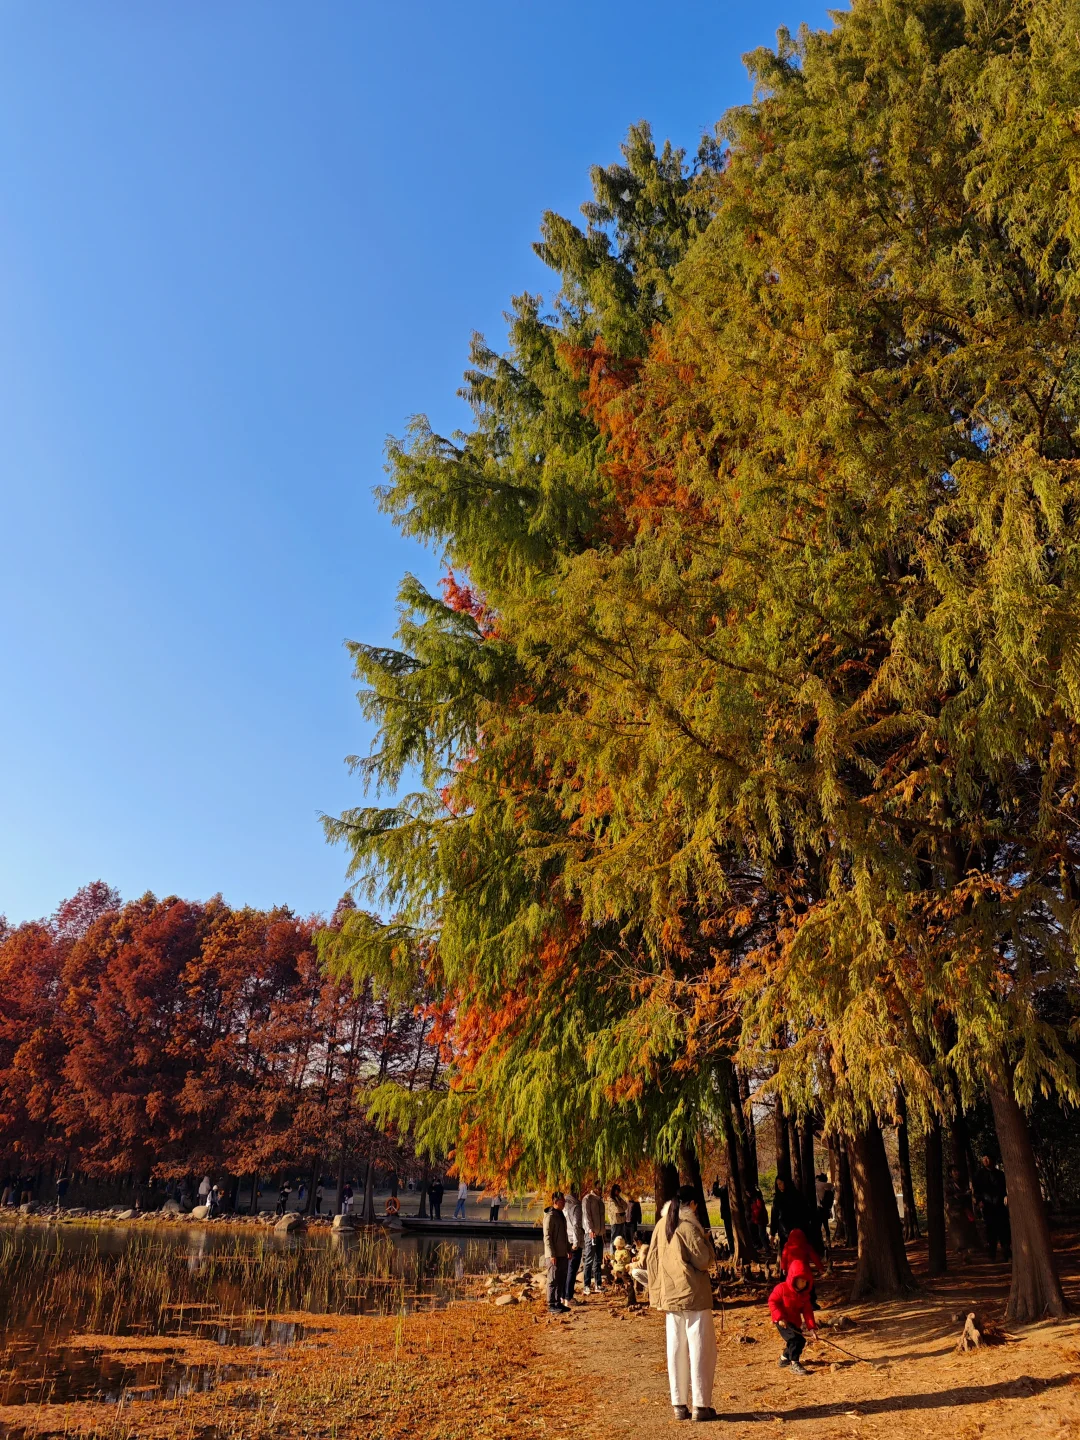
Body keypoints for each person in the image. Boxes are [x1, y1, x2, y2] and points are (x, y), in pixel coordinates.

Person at [646, 1183, 718, 1423]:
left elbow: (652, 1260)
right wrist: (706, 1240)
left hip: (670, 1297)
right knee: (701, 1349)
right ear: (693, 1205)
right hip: (694, 1296)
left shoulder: (660, 1226)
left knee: (675, 1350)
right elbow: (704, 1260)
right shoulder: (688, 1227)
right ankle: (701, 1405)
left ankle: (679, 1405)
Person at [768, 1257, 816, 1376]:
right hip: (782, 1321)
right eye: (802, 1281)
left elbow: (808, 1311)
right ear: (794, 1279)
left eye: (806, 1281)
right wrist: (779, 1317)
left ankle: (784, 1357)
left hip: (794, 1321)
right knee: (795, 1340)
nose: (804, 1284)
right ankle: (795, 1362)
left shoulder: (804, 1295)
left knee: (799, 1340)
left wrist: (811, 1328)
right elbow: (772, 1301)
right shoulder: (782, 1288)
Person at [974, 1154, 1011, 1261]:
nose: (986, 1160)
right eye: (984, 1158)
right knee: (991, 1231)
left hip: (1000, 1205)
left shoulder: (1000, 1174)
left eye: (988, 1158)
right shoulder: (979, 1175)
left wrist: (1006, 1196)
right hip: (987, 1206)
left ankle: (1006, 1252)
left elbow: (1005, 1188)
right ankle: (992, 1255)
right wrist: (979, 1201)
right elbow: (977, 1191)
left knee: (1004, 1229)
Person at [543, 1191, 571, 1314]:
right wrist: (552, 1254)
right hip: (553, 1254)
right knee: (553, 1279)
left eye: (564, 1201)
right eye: (562, 1201)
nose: (564, 1203)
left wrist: (568, 1249)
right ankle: (551, 1304)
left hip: (562, 1253)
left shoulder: (561, 1215)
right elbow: (547, 1237)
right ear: (555, 1202)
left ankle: (558, 1302)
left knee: (561, 1278)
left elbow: (564, 1235)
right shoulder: (550, 1216)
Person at [770, 1175, 810, 1245]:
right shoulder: (777, 1198)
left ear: (786, 1183)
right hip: (783, 1232)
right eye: (777, 1184)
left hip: (797, 1230)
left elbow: (805, 1211)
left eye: (780, 1183)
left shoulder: (797, 1195)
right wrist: (772, 1233)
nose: (779, 1186)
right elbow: (774, 1216)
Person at [582, 1182, 606, 1294]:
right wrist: (590, 1230)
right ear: (594, 1188)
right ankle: (586, 1285)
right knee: (589, 1260)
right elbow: (586, 1216)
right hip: (591, 1234)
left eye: (601, 1188)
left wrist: (603, 1232)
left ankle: (598, 1284)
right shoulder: (588, 1199)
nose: (600, 1190)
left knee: (598, 1260)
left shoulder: (600, 1200)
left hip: (600, 1234)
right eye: (599, 1188)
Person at [564, 1185, 584, 1304]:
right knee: (572, 1270)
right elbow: (576, 1225)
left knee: (566, 1270)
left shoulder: (564, 1205)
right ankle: (568, 1297)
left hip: (566, 1241)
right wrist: (576, 1242)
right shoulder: (576, 1207)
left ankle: (563, 1296)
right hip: (574, 1241)